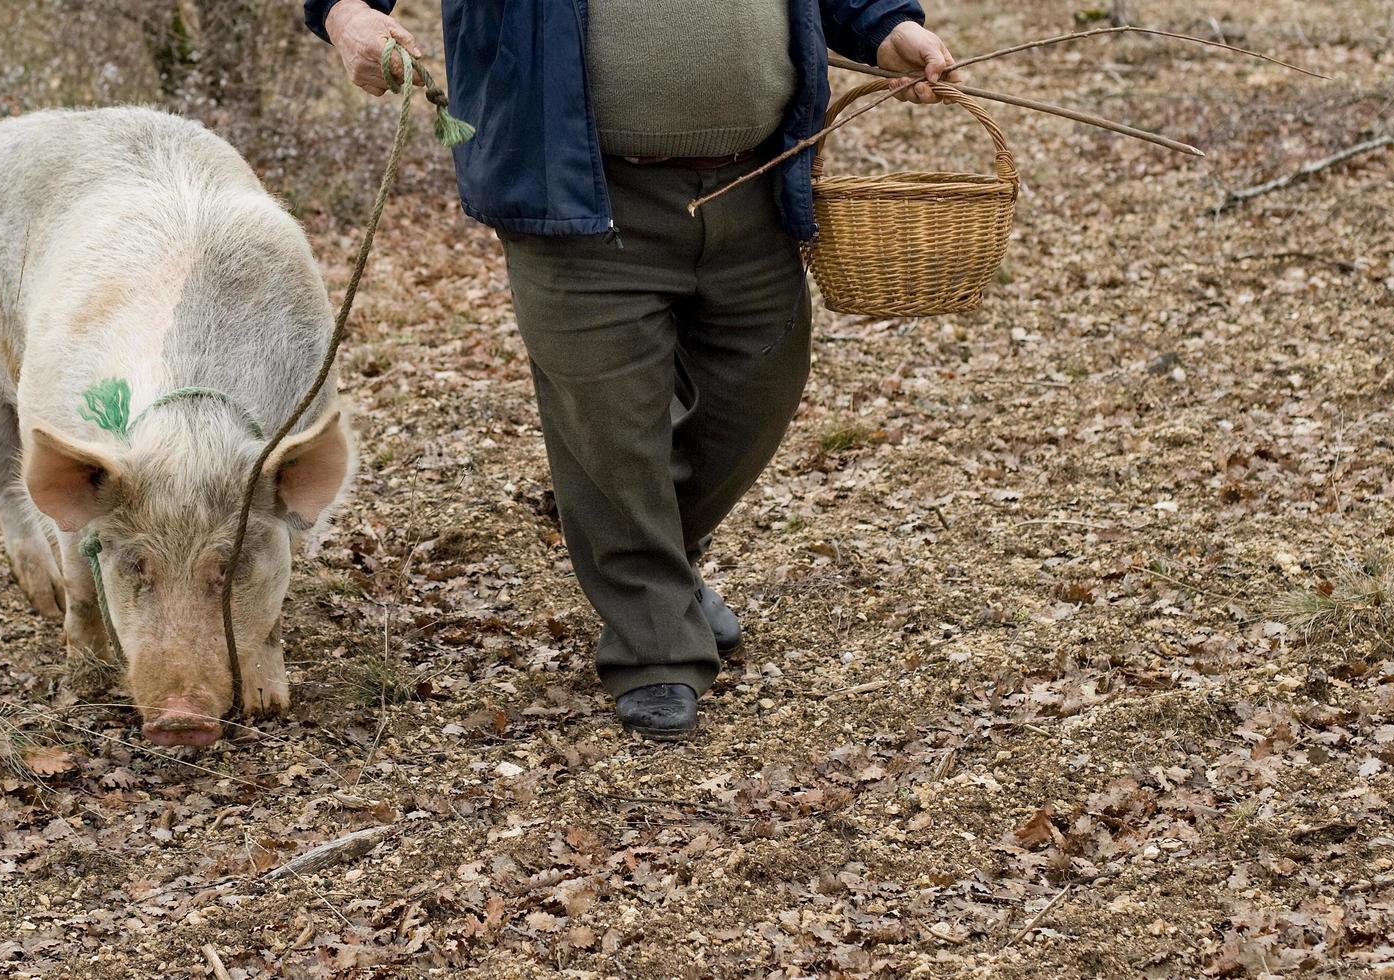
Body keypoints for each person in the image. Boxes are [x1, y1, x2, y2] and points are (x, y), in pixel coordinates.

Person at [305, 0, 959, 739]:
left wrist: (883, 26)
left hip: (756, 180)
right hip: (576, 190)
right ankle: (655, 652)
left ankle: (655, 572)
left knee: (759, 391)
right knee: (611, 430)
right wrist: (344, 16)